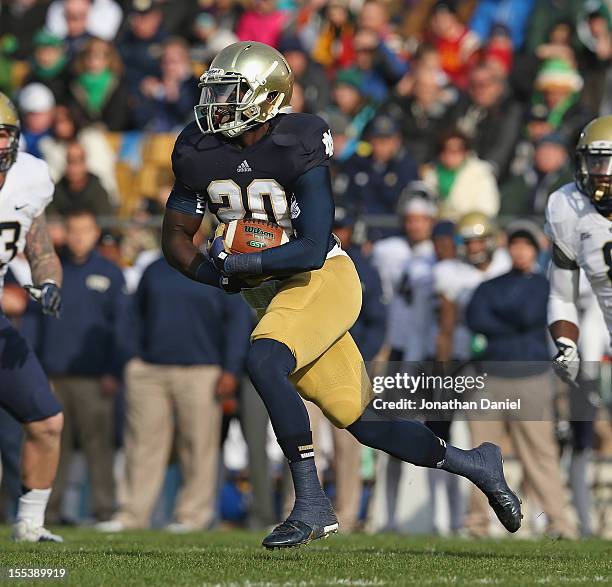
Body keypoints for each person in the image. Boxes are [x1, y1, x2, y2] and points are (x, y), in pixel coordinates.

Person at [161, 41, 521, 549]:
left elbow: (310, 247)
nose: (217, 105)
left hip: (321, 280)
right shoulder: (197, 148)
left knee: (264, 361)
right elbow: (174, 238)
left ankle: (311, 502)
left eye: (231, 93)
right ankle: (476, 464)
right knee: (363, 419)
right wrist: (220, 277)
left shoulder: (297, 141)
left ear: (266, 99)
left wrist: (241, 263)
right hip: (266, 294)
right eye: (215, 92)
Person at [98, 253, 252, 531]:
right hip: (150, 370)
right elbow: (133, 317)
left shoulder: (218, 269)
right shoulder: (154, 269)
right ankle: (132, 515)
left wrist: (230, 369)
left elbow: (237, 321)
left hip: (201, 370)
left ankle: (192, 516)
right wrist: (132, 359)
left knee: (197, 446)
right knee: (142, 445)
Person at [465, 222, 574, 538]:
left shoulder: (543, 285)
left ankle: (559, 522)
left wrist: (501, 320)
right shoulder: (491, 285)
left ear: (535, 251)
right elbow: (475, 318)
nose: (520, 251)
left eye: (526, 245)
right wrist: (509, 321)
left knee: (541, 454)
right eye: (515, 245)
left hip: (531, 379)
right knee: (479, 454)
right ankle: (476, 522)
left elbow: (530, 315)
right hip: (490, 377)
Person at [37, 210, 129, 524]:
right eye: (73, 230)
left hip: (94, 378)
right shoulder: (52, 271)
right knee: (51, 447)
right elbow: (37, 323)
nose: (78, 237)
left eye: (85, 230)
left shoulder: (110, 273)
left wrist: (113, 371)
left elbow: (121, 327)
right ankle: (48, 512)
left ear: (94, 233)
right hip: (53, 376)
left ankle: (104, 510)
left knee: (98, 447)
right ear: (65, 233)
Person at [0, 92, 64, 542]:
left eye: (1, 133)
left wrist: (49, 282)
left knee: (46, 422)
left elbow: (40, 247)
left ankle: (30, 524)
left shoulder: (31, 177)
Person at [545, 115, 612, 393]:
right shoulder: (567, 206)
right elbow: (561, 294)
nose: (603, 173)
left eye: (609, 162)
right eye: (596, 161)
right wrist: (567, 345)